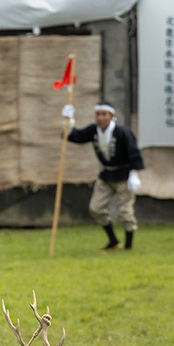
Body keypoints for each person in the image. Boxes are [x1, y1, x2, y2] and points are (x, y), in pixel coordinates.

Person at [63, 103, 145, 252]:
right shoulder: (93, 131)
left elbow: (134, 153)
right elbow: (74, 137)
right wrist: (69, 121)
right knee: (95, 208)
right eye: (98, 114)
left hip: (124, 175)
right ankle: (113, 241)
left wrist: (134, 174)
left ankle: (128, 246)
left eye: (104, 114)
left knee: (124, 211)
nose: (100, 118)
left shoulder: (122, 132)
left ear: (112, 116)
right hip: (107, 175)